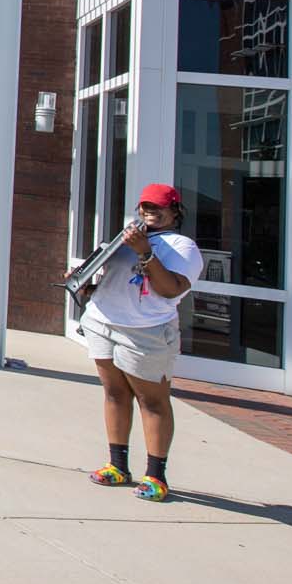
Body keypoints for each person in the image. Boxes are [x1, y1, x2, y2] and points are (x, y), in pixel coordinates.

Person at [79, 183, 199, 502]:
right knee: (115, 393)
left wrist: (145, 251)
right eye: (145, 206)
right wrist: (82, 283)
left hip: (145, 332)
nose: (149, 212)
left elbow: (171, 289)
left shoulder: (182, 247)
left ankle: (156, 475)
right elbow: (115, 282)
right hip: (103, 323)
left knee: (152, 401)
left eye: (158, 207)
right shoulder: (126, 236)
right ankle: (117, 465)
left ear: (175, 211)